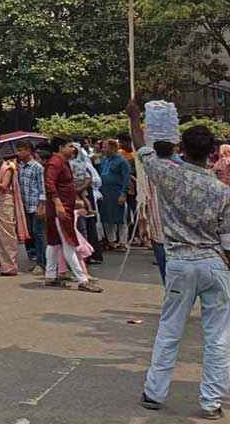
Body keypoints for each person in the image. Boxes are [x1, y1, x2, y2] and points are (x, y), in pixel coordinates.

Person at [130, 103, 230, 420]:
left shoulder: (167, 174)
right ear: (212, 153)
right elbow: (228, 239)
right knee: (218, 337)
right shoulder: (222, 191)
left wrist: (134, 117)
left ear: (181, 148)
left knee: (170, 330)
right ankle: (211, 402)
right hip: (214, 263)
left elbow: (142, 148)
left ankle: (154, 392)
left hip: (179, 263)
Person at [44, 138, 103, 293]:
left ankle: (50, 275)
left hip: (60, 208)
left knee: (54, 243)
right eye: (70, 146)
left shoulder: (61, 162)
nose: (73, 149)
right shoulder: (56, 162)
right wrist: (58, 203)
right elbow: (49, 184)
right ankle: (82, 280)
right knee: (69, 243)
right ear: (61, 147)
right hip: (61, 209)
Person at [15, 141, 48, 272]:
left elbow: (42, 188)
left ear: (28, 151)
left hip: (35, 206)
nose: (19, 153)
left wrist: (42, 206)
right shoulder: (21, 167)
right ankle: (36, 259)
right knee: (31, 234)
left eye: (21, 150)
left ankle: (42, 263)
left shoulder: (37, 167)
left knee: (39, 234)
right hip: (25, 206)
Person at [98, 140, 131, 251]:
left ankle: (123, 242)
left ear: (113, 148)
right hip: (105, 192)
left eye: (105, 147)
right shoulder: (104, 160)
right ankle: (111, 241)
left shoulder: (122, 161)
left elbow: (126, 178)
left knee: (121, 218)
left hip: (117, 192)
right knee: (106, 217)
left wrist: (123, 193)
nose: (103, 149)